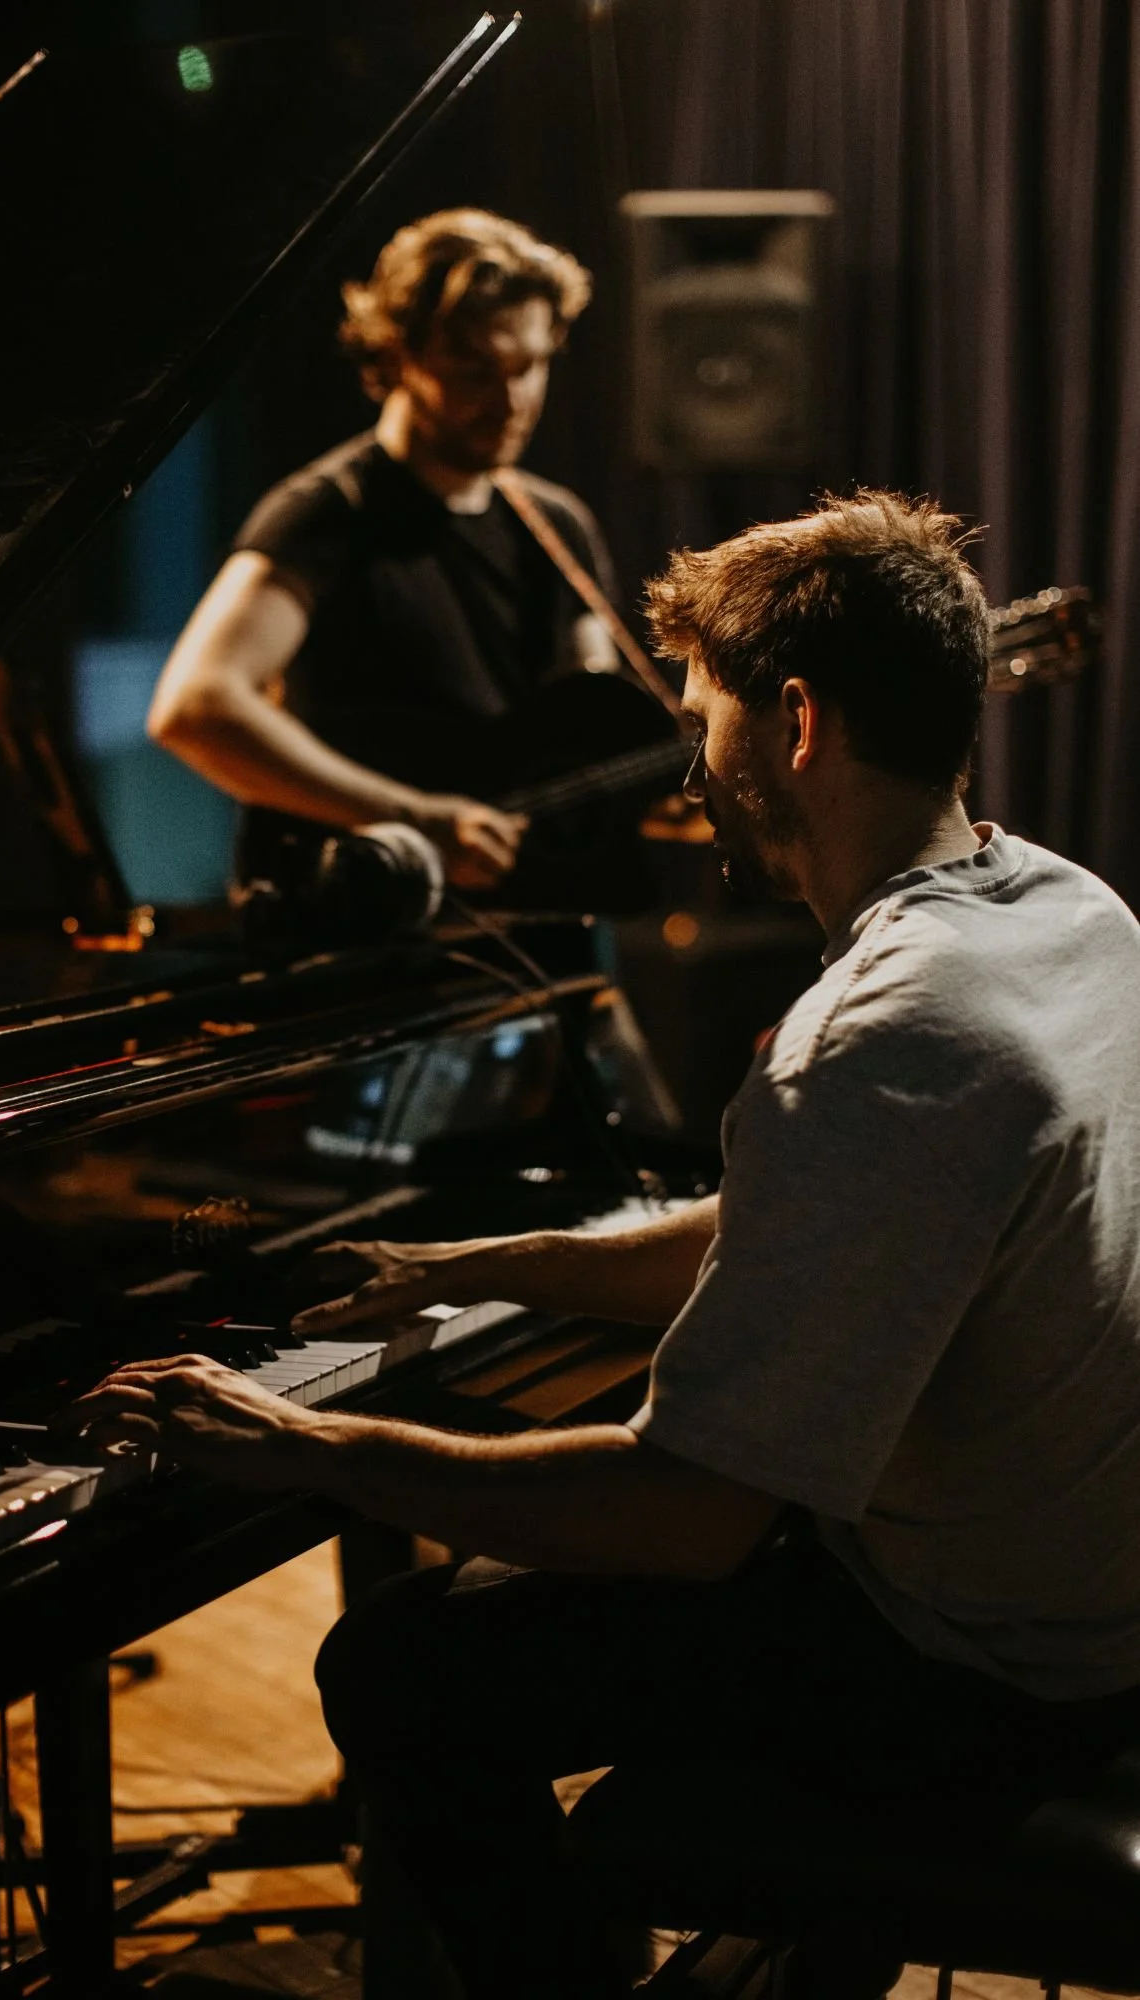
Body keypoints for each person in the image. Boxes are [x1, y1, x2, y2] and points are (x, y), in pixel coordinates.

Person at [66, 491, 1140, 2000]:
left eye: (702, 716)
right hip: (1083, 1606)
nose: (692, 765)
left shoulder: (880, 1040)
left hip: (966, 1672)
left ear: (797, 721)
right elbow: (810, 1232)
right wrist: (491, 1264)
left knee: (398, 1670)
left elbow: (680, 1516)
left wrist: (312, 1439)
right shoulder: (1063, 913)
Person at [145, 208, 624, 896]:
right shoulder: (326, 514)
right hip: (361, 931)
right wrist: (415, 819)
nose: (510, 400)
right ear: (398, 353)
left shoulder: (556, 525)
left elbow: (585, 731)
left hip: (539, 932)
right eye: (474, 369)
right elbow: (196, 707)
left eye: (530, 366)